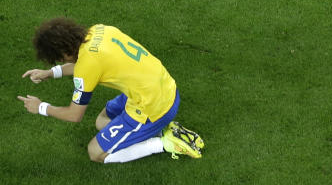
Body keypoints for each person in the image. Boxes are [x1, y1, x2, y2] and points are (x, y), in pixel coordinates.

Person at [18, 18, 204, 163]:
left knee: (95, 152)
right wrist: (50, 73)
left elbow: (74, 115)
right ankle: (157, 129)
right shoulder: (100, 30)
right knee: (101, 122)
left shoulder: (86, 66)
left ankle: (165, 143)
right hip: (160, 86)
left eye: (58, 59)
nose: (62, 62)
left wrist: (41, 107)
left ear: (64, 51)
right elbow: (86, 63)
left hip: (152, 105)